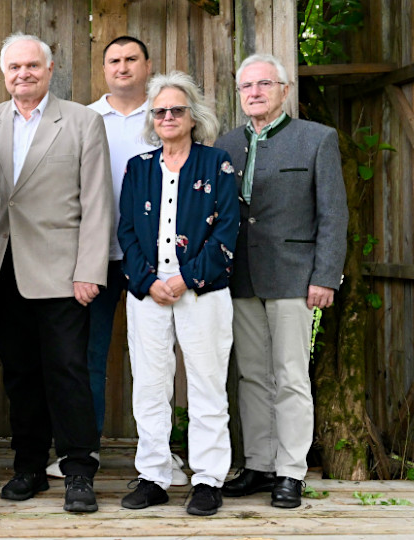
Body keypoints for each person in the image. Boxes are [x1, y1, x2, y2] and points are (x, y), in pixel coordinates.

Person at [46, 35, 188, 487]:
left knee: (163, 357)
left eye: (131, 59)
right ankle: (83, 449)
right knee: (89, 355)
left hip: (160, 260)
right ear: (104, 68)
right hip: (100, 255)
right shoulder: (86, 118)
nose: (122, 67)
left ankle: (166, 454)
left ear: (148, 65)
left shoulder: (166, 114)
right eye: (114, 60)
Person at [0, 33, 112, 514]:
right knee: (19, 375)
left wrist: (89, 270)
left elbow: (98, 202)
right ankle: (29, 468)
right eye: (14, 67)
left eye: (32, 66)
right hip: (0, 270)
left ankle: (79, 471)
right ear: (4, 74)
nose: (23, 74)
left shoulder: (82, 121)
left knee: (67, 371)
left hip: (63, 273)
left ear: (50, 67)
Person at [215, 54, 347, 509]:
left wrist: (326, 276)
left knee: (290, 375)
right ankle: (258, 463)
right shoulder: (226, 144)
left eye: (264, 84)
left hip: (295, 276)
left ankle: (291, 471)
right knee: (251, 374)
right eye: (246, 86)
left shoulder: (317, 139)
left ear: (284, 90)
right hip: (241, 277)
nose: (254, 93)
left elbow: (333, 214)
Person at [117, 71, 239, 516]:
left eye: (177, 110)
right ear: (152, 118)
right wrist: (148, 281)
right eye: (160, 111)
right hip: (148, 292)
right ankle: (154, 474)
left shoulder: (217, 164)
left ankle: (207, 479)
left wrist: (185, 279)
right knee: (149, 386)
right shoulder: (139, 167)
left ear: (192, 116)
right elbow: (126, 231)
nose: (168, 117)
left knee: (207, 385)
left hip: (201, 291)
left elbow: (226, 232)